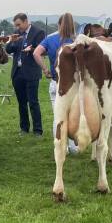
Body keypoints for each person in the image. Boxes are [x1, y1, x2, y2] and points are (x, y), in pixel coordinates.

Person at [33, 13, 78, 153]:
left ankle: (60, 146)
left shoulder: (50, 39)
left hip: (56, 82)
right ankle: (72, 146)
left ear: (59, 25)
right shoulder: (77, 41)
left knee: (58, 116)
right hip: (73, 84)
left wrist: (45, 69)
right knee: (72, 115)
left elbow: (36, 53)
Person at [5, 13, 45, 136]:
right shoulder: (18, 34)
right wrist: (11, 41)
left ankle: (37, 130)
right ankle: (24, 128)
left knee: (33, 102)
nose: (17, 27)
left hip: (31, 72)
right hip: (18, 73)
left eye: (19, 24)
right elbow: (8, 50)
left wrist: (32, 49)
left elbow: (42, 49)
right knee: (21, 103)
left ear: (26, 21)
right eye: (16, 25)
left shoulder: (38, 32)